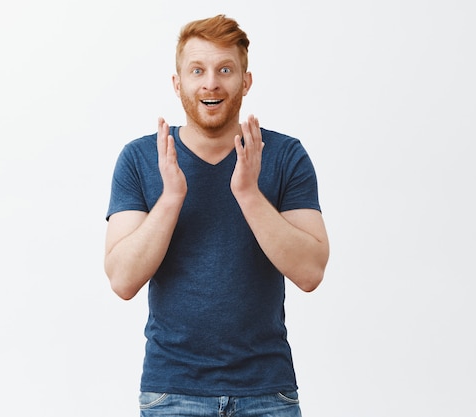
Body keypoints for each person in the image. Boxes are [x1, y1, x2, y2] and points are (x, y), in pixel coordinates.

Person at [105, 14, 329, 417]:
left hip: (267, 394)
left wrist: (248, 194)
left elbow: (311, 272)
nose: (211, 82)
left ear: (245, 81)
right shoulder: (141, 158)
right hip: (171, 394)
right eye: (197, 70)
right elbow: (122, 279)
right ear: (178, 84)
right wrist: (171, 198)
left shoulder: (284, 156)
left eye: (225, 69)